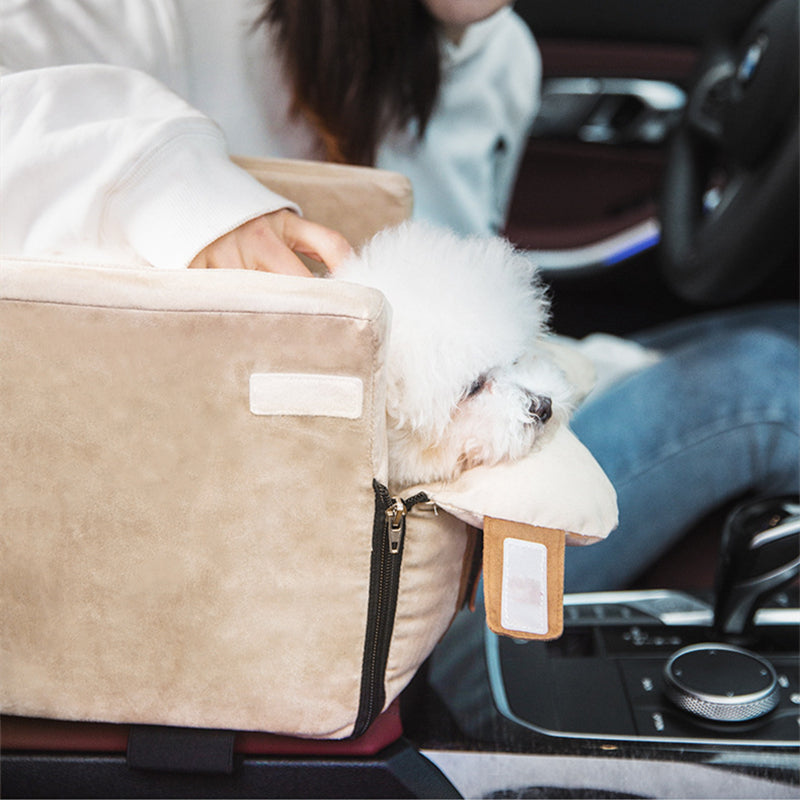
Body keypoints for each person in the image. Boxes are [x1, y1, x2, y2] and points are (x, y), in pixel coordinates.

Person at [2, 0, 797, 734]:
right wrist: (177, 189)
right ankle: (472, 676)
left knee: (778, 333)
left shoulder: (501, 56)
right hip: (345, 574)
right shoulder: (148, 14)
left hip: (460, 442)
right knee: (768, 386)